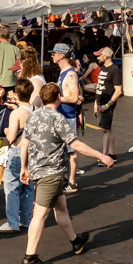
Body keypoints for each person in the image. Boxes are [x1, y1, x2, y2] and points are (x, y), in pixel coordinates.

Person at [20, 82, 116, 264]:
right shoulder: (58, 118)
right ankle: (29, 257)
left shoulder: (33, 116)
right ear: (58, 98)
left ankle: (75, 240)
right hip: (52, 173)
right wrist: (101, 155)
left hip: (38, 171)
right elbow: (76, 145)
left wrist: (24, 167)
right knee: (39, 215)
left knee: (61, 207)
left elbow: (24, 143)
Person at [0, 78, 35, 235]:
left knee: (12, 188)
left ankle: (12, 223)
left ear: (17, 94)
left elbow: (10, 137)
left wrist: (6, 131)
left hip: (17, 150)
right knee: (28, 187)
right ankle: (26, 219)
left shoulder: (16, 113)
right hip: (31, 151)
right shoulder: (34, 108)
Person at [51, 43, 85, 192]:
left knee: (71, 150)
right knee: (65, 150)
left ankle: (72, 182)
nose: (51, 56)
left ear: (61, 55)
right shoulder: (63, 72)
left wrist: (56, 98)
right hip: (62, 115)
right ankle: (66, 179)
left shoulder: (70, 74)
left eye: (54, 53)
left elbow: (73, 98)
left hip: (68, 116)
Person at [90, 43, 122, 156]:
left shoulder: (114, 70)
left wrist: (108, 105)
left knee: (105, 130)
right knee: (108, 128)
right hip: (100, 101)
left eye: (99, 55)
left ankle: (105, 155)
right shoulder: (103, 68)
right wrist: (95, 103)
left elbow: (118, 90)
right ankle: (112, 154)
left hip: (107, 103)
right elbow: (99, 86)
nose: (97, 58)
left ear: (106, 56)